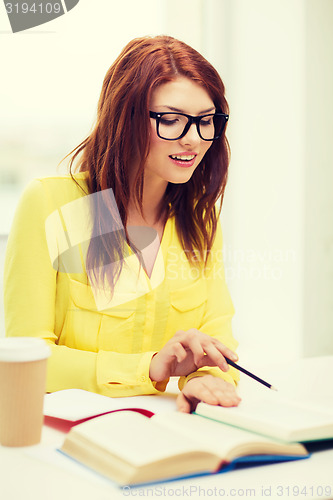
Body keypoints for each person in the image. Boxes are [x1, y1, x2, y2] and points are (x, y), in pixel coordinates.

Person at [4, 35, 241, 413]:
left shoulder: (200, 219)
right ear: (124, 115)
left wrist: (206, 379)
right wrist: (147, 368)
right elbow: (27, 358)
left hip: (169, 428)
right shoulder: (52, 205)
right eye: (172, 119)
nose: (194, 139)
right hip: (71, 437)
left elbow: (216, 338)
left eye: (207, 121)